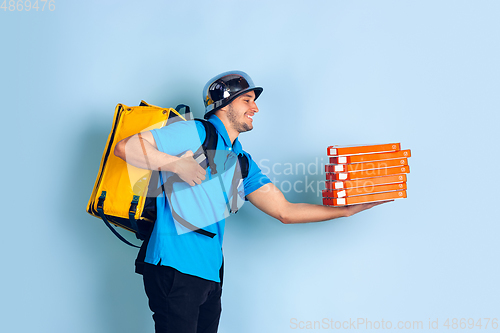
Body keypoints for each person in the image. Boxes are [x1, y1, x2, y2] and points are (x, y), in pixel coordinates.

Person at [114, 71, 386, 333]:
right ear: (223, 104)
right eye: (247, 100)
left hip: (210, 275)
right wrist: (176, 165)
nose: (255, 108)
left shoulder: (241, 161)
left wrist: (346, 211)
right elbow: (125, 147)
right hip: (175, 267)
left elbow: (284, 211)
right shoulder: (196, 131)